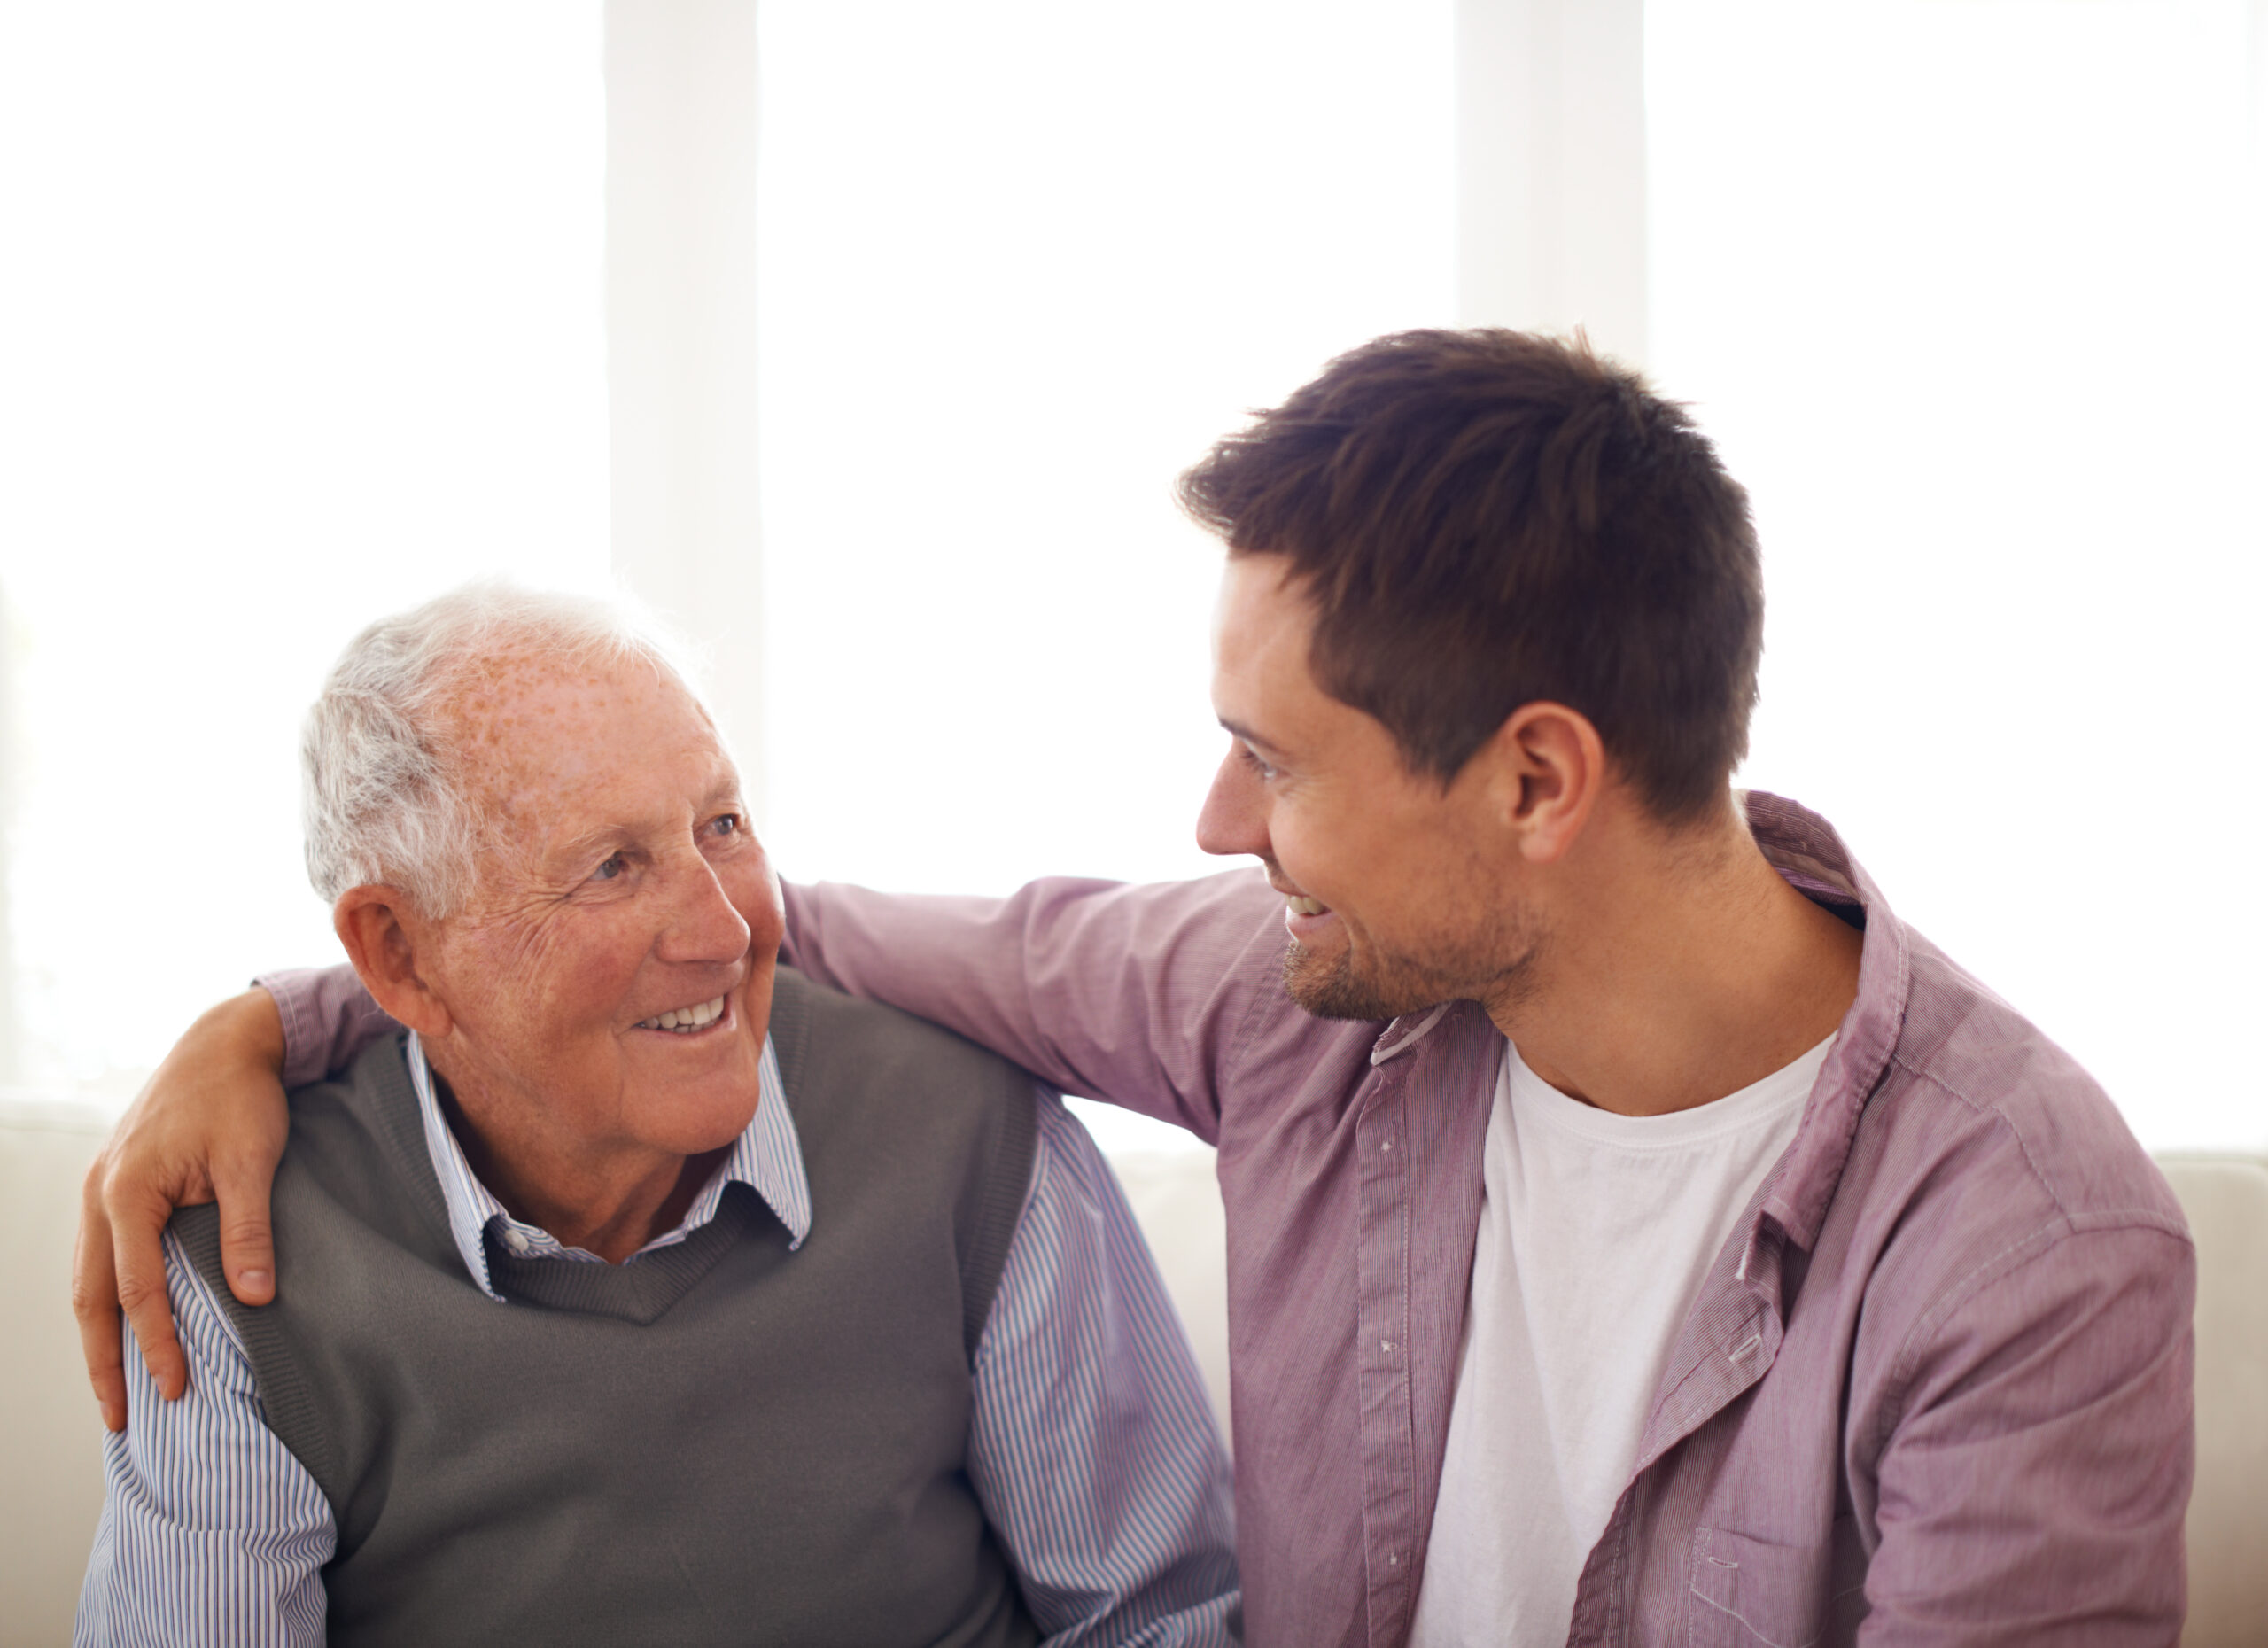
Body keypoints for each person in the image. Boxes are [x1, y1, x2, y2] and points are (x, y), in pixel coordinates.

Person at [81, 331, 2194, 1646]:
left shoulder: (2024, 1244)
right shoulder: (1294, 999)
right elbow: (741, 931)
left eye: (1271, 763)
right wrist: (290, 1017)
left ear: (1535, 778)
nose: (1206, 823)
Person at [72, 587, 1239, 1647]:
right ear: (399, 953)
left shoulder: (972, 1134)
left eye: (720, 826)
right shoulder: (241, 1257)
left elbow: (1160, 1624)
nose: (723, 931)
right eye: (615, 867)